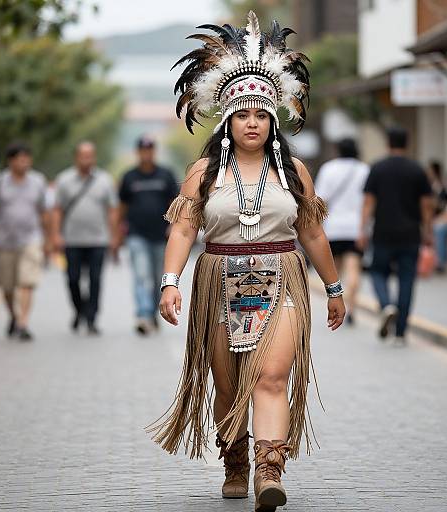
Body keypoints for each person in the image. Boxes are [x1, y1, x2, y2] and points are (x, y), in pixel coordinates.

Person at [144, 12, 345, 512]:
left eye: (260, 115)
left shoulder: (294, 171)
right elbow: (185, 229)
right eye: (242, 115)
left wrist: (336, 288)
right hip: (218, 278)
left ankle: (268, 471)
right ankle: (234, 457)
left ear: (273, 122)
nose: (251, 123)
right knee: (229, 383)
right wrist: (170, 281)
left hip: (283, 278)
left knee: (271, 378)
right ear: (228, 121)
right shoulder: (203, 172)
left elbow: (312, 231)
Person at [358, 127, 433, 345]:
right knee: (407, 279)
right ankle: (400, 333)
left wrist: (362, 230)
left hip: (383, 232)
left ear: (388, 143)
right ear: (407, 143)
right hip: (410, 234)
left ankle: (385, 305)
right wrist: (427, 231)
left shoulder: (378, 168)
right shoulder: (417, 170)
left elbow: (368, 202)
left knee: (377, 271)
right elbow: (426, 205)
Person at [0, 142, 50, 340]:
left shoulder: (38, 181)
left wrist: (48, 237)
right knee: (6, 285)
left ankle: (23, 323)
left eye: (26, 158)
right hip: (4, 241)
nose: (24, 162)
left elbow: (44, 211)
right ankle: (13, 316)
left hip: (31, 238)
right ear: (10, 161)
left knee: (26, 281)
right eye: (19, 159)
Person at [52, 141, 118, 335]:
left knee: (95, 280)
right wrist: (55, 235)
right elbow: (57, 210)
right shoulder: (64, 180)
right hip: (71, 240)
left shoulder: (104, 180)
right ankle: (79, 310)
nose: (87, 159)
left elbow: (112, 210)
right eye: (83, 155)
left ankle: (91, 318)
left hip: (98, 240)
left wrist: (114, 236)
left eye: (90, 155)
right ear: (76, 157)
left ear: (94, 157)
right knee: (72, 279)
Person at [118, 136, 178, 335]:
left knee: (156, 278)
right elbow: (122, 207)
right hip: (137, 235)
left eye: (150, 149)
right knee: (141, 275)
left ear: (154, 151)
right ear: (138, 152)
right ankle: (143, 314)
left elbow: (176, 203)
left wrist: (174, 226)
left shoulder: (165, 175)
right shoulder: (129, 177)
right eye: (143, 150)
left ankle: (152, 312)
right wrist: (117, 234)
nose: (147, 153)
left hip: (160, 236)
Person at [315, 138, 369, 325]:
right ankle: (352, 308)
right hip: (355, 228)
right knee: (353, 268)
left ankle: (338, 303)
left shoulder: (329, 169)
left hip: (333, 227)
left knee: (334, 272)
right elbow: (368, 201)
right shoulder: (364, 170)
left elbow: (320, 199)